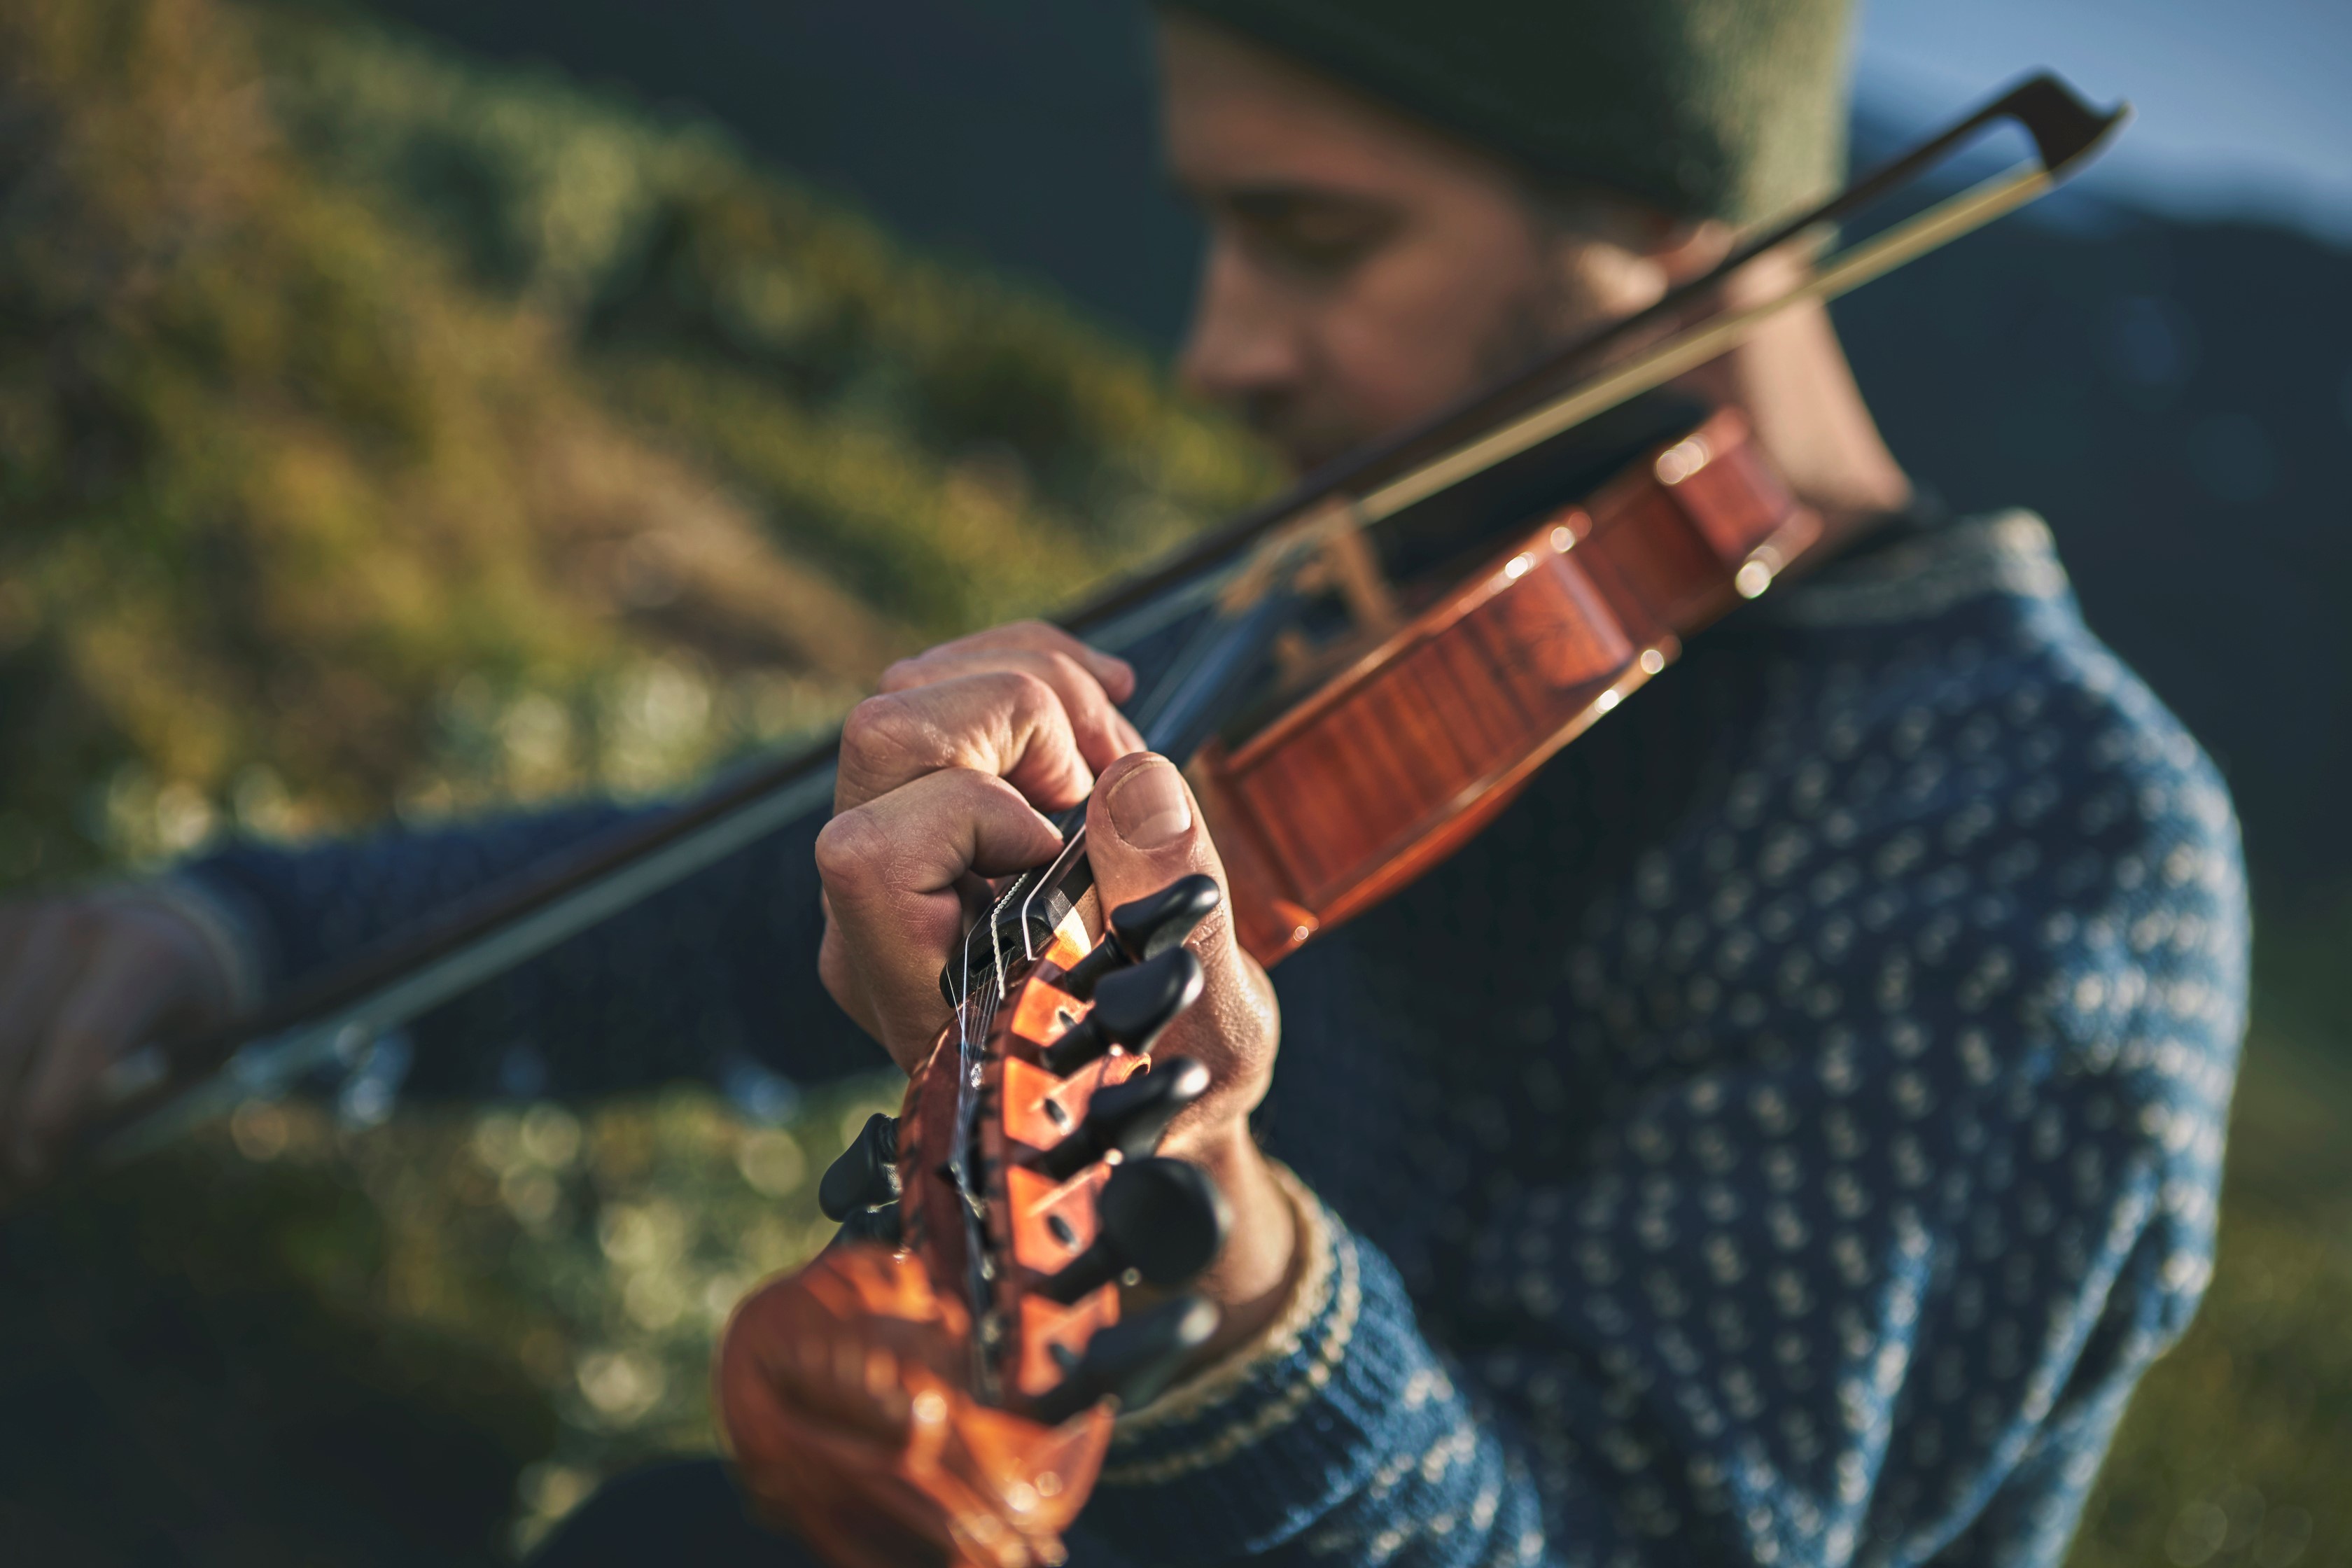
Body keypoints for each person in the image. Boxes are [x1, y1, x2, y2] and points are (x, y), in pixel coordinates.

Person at [0, 2, 2248, 1564]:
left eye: (1318, 237)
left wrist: (1207, 1246)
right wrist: (238, 938)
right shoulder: (1353, 595)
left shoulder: (2034, 843)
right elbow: (726, 908)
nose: (1218, 346)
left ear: (1680, 230)